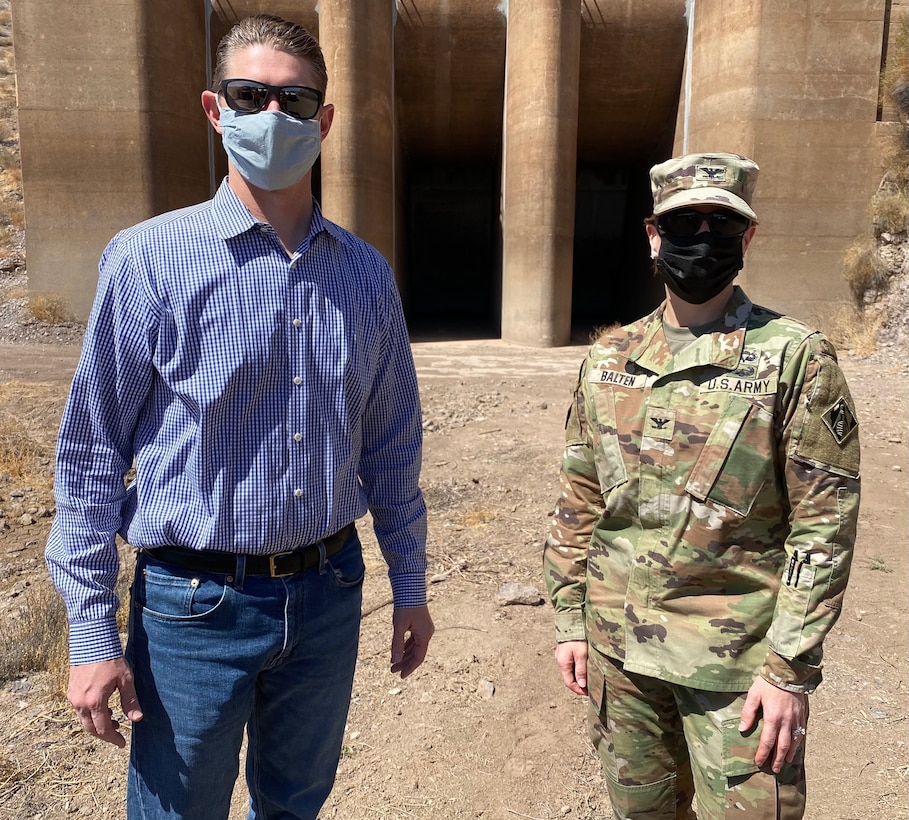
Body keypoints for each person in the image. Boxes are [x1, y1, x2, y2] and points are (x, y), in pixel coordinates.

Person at [45, 14, 434, 820]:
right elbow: (90, 452)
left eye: (295, 101)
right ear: (214, 110)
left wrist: (410, 586)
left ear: (323, 121)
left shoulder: (365, 275)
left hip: (328, 594)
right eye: (250, 95)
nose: (273, 116)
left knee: (295, 805)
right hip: (192, 607)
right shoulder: (148, 258)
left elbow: (392, 447)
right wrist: (90, 632)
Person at [544, 152, 860, 819]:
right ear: (653, 234)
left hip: (736, 667)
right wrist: (570, 619)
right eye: (684, 223)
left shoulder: (793, 357)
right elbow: (580, 498)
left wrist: (788, 670)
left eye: (722, 225)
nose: (702, 240)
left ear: (746, 238)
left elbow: (823, 524)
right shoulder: (607, 358)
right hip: (619, 654)